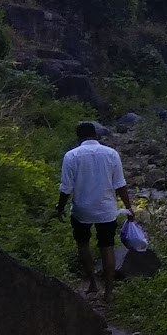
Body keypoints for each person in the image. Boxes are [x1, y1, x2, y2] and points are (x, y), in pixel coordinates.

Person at [55, 121, 136, 305]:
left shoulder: (71, 156)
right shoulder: (111, 154)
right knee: (107, 247)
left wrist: (60, 208)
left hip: (82, 210)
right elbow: (120, 184)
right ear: (96, 136)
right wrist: (129, 207)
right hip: (106, 210)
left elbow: (66, 188)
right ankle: (108, 292)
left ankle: (92, 283)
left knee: (83, 245)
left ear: (79, 137)